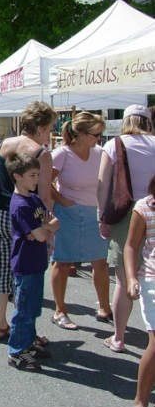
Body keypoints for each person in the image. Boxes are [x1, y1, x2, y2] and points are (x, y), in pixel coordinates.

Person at [0, 101, 57, 341]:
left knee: (2, 269)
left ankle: (1, 324)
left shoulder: (1, 144)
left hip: (1, 212)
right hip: (27, 218)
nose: (50, 134)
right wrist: (48, 232)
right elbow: (44, 197)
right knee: (26, 274)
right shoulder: (41, 154)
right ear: (41, 127)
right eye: (50, 128)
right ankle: (26, 332)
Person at [98, 104, 155, 352]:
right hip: (152, 209)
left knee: (123, 279)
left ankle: (119, 337)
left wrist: (102, 216)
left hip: (125, 213)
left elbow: (103, 185)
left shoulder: (114, 144)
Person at [49, 112, 111, 330]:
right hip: (68, 213)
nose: (99, 138)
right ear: (81, 134)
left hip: (95, 212)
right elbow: (45, 182)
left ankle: (104, 306)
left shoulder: (100, 153)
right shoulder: (61, 154)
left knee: (100, 261)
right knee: (63, 261)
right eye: (96, 134)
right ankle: (60, 310)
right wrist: (62, 200)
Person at [6, 153, 60, 371]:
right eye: (32, 175)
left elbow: (54, 222)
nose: (36, 179)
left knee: (33, 308)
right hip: (25, 263)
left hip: (37, 262)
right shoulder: (20, 205)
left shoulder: (34, 199)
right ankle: (16, 351)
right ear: (17, 176)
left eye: (38, 174)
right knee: (24, 311)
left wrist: (43, 229)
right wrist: (42, 230)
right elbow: (40, 235)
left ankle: (28, 343)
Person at [124, 175, 155, 407]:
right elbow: (131, 245)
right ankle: (140, 401)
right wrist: (132, 277)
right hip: (152, 280)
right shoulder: (145, 206)